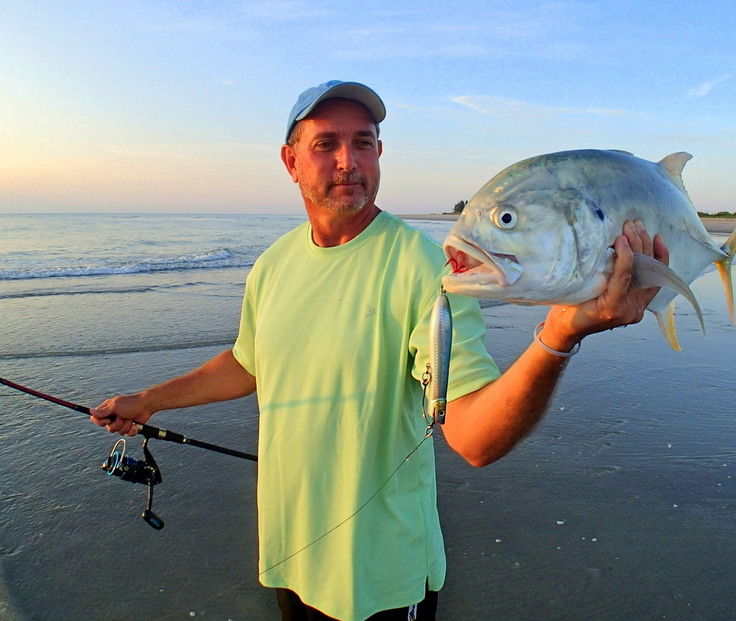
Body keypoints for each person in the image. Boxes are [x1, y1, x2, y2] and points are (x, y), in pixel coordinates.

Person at [91, 80, 668, 621]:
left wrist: (559, 335)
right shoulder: (273, 265)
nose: (348, 160)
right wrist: (149, 400)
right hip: (290, 555)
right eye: (326, 144)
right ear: (291, 161)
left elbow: (474, 438)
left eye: (362, 143)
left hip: (383, 576)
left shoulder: (428, 269)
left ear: (379, 153)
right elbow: (249, 362)